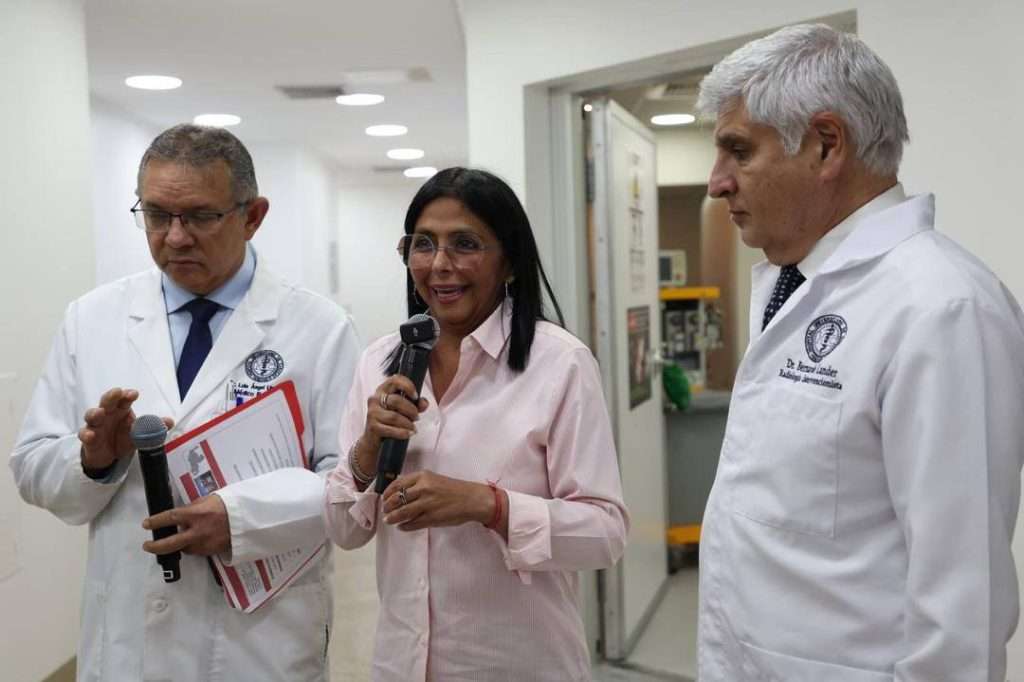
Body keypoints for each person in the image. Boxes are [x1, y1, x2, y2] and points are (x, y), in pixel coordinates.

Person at [695, 24, 1024, 681]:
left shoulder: (941, 307)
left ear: (826, 144)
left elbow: (962, 610)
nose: (716, 183)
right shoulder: (793, 285)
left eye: (738, 151)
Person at [10, 124, 360, 681]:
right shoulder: (92, 319)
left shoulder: (319, 328)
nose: (174, 238)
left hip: (259, 645)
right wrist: (93, 460)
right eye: (156, 215)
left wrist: (241, 517)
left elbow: (351, 487)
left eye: (200, 216)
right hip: (129, 641)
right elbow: (30, 467)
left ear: (252, 216)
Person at [324, 167, 628, 681]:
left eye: (464, 244)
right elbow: (344, 531)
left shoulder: (560, 364)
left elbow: (605, 534)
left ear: (508, 260)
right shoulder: (379, 362)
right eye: (423, 244)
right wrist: (368, 449)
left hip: (518, 665)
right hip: (401, 664)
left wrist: (487, 505)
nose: (440, 265)